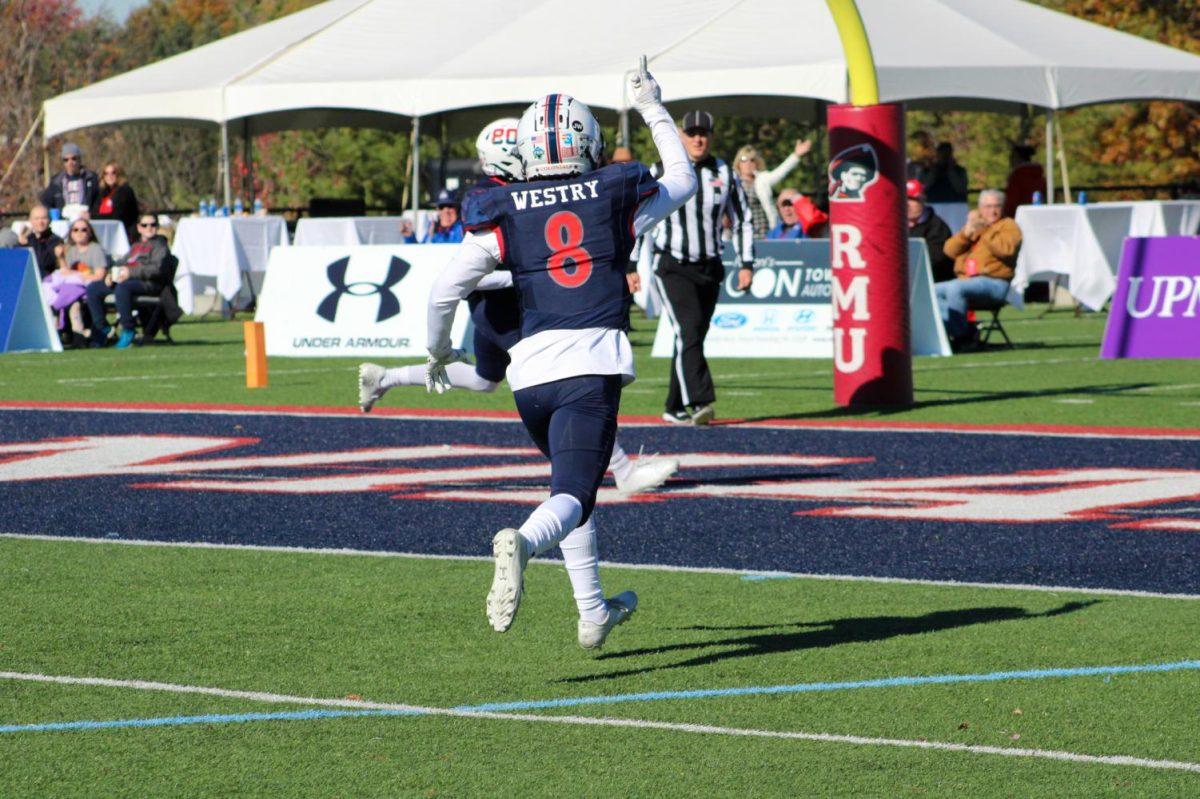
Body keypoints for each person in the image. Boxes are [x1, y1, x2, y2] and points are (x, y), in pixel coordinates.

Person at [423, 59, 697, 648]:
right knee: (575, 493)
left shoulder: (505, 210)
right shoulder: (612, 195)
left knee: (571, 483)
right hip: (587, 363)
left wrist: (438, 350)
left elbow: (445, 289)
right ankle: (522, 541)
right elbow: (683, 178)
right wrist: (651, 104)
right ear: (590, 141)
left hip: (530, 377)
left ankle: (593, 610)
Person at [358, 118, 679, 496]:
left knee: (484, 380)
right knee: (573, 375)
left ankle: (386, 378)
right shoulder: (490, 199)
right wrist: (534, 272)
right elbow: (472, 274)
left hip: (510, 305)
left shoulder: (512, 192)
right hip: (503, 306)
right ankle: (623, 470)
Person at [649, 109, 754, 425]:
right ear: (680, 136)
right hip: (672, 264)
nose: (698, 138)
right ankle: (700, 402)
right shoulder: (661, 170)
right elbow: (641, 217)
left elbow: (743, 220)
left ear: (711, 137)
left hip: (710, 266)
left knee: (690, 337)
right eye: (692, 132)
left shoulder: (725, 171)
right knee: (689, 330)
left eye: (704, 133)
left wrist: (747, 262)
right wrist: (629, 265)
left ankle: (673, 406)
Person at [937, 190, 1022, 350]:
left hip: (995, 282)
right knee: (930, 291)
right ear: (980, 208)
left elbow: (1006, 250)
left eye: (997, 206)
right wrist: (965, 234)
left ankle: (962, 337)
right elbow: (949, 251)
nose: (992, 211)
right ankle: (959, 331)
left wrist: (986, 231)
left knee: (955, 288)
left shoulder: (1009, 226)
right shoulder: (975, 226)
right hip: (967, 281)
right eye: (988, 206)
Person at [85, 213, 172, 349]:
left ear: (157, 227)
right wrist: (110, 274)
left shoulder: (160, 246)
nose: (149, 228)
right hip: (127, 282)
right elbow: (120, 263)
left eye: (153, 225)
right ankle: (103, 328)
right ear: (139, 228)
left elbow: (157, 270)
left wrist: (130, 272)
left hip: (150, 284)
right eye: (145, 225)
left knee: (123, 287)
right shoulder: (136, 246)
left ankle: (128, 329)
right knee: (94, 288)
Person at [45, 219, 109, 346]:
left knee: (74, 301)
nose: (79, 233)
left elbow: (99, 275)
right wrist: (61, 257)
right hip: (71, 290)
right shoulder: (71, 250)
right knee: (70, 301)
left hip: (88, 288)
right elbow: (65, 272)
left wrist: (79, 276)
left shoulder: (95, 249)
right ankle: (65, 334)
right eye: (75, 230)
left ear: (90, 232)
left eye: (84, 229)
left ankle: (58, 313)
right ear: (71, 234)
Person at [734, 139, 812, 235]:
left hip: (765, 233)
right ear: (738, 163)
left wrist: (796, 155)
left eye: (752, 160)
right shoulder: (733, 183)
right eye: (744, 159)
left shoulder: (762, 179)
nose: (748, 163)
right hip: (743, 234)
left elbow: (780, 172)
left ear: (757, 163)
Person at [906, 179, 954, 282]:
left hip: (933, 283)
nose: (907, 204)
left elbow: (935, 261)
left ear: (923, 200)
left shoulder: (937, 227)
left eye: (912, 199)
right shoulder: (895, 226)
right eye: (904, 198)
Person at [41, 143, 100, 214]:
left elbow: (98, 200)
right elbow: (46, 201)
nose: (70, 162)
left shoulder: (90, 177)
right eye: (66, 160)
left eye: (74, 158)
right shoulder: (57, 181)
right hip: (64, 220)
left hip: (85, 219)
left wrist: (91, 213)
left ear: (79, 159)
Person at [90, 161, 140, 242]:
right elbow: (94, 210)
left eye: (113, 173)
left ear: (119, 174)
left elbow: (117, 216)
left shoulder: (125, 191)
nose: (109, 176)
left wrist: (92, 217)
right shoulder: (102, 192)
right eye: (106, 173)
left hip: (124, 235)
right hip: (105, 234)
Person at [14, 205, 63, 278]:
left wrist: (34, 241)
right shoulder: (27, 239)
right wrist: (21, 244)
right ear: (30, 220)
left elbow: (43, 262)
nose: (40, 222)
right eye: (36, 219)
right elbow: (15, 262)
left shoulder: (55, 240)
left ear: (49, 220)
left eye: (44, 218)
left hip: (47, 280)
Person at [1003, 144, 1047, 218]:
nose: (1010, 159)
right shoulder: (1039, 176)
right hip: (1039, 215)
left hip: (1019, 217)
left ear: (1018, 157)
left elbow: (1011, 201)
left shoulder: (1017, 177)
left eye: (1012, 156)